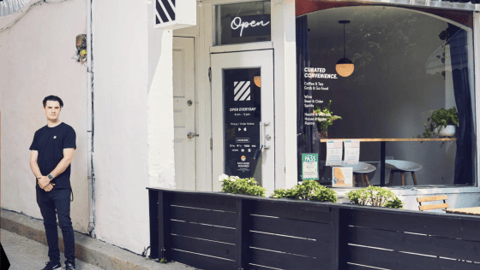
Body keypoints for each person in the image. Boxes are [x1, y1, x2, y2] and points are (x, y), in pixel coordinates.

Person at [30, 95, 76, 270]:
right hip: (41, 187)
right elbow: (33, 159)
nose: (53, 110)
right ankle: (54, 261)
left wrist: (48, 178)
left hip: (61, 187)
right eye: (49, 107)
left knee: (64, 223)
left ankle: (70, 263)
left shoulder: (67, 130)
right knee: (49, 224)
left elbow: (67, 159)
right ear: (44, 109)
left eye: (56, 107)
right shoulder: (39, 133)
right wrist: (41, 180)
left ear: (60, 109)